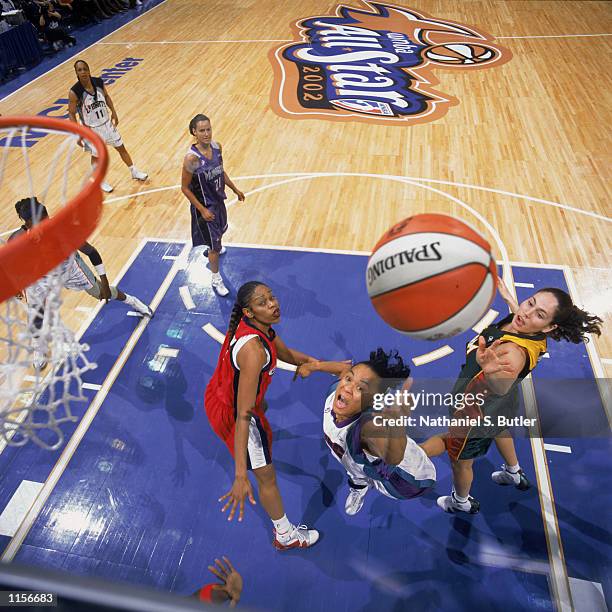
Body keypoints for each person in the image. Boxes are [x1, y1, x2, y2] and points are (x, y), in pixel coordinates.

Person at [420, 279, 603, 514]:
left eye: (539, 314)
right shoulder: (527, 328)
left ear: (549, 327)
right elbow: (524, 316)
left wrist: (488, 370)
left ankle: (460, 501)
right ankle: (513, 471)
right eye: (530, 303)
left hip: (475, 413)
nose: (526, 313)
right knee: (499, 428)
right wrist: (509, 298)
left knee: (459, 461)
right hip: (501, 407)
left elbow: (501, 386)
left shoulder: (513, 353)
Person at [205, 281, 339, 550]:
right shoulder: (253, 352)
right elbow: (243, 414)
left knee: (259, 413)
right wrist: (240, 475)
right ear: (249, 312)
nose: (273, 304)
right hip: (236, 415)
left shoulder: (258, 329)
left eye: (272, 297)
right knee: (266, 476)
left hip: (219, 394)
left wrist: (322, 366)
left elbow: (287, 354)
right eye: (263, 302)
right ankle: (285, 535)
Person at [11, 198, 153, 368]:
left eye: (46, 219)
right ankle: (39, 348)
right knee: (35, 315)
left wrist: (105, 283)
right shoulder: (18, 239)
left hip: (69, 269)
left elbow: (92, 253)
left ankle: (132, 301)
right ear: (28, 224)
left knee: (100, 293)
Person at [294, 349, 436, 515]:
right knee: (355, 471)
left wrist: (399, 423)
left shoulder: (366, 429)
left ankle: (448, 442)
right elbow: (343, 369)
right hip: (360, 463)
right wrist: (315, 366)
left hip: (402, 476)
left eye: (360, 388)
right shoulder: (336, 392)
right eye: (348, 379)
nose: (348, 388)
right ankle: (359, 487)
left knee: (423, 451)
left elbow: (394, 458)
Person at [181, 114, 244, 297]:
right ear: (194, 132)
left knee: (220, 234)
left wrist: (234, 189)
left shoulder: (217, 147)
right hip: (205, 207)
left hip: (219, 201)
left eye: (208, 129)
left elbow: (220, 171)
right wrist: (202, 210)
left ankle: (213, 247)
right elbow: (184, 188)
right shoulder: (192, 159)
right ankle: (215, 278)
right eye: (202, 130)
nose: (207, 133)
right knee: (214, 248)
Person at [68, 60, 148, 193]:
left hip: (106, 123)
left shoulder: (98, 82)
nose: (83, 72)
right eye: (79, 70)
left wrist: (114, 112)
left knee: (121, 147)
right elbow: (71, 113)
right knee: (97, 156)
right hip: (91, 129)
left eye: (84, 69)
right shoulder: (74, 92)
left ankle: (134, 171)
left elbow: (106, 96)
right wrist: (78, 133)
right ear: (76, 73)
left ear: (89, 70)